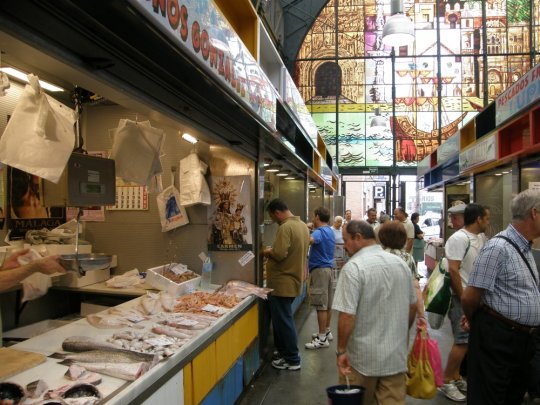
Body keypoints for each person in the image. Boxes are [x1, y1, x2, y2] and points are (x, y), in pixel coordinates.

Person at [462, 189, 540, 405]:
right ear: (534, 213)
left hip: (522, 341)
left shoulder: (524, 248)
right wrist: (477, 321)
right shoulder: (498, 247)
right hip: (499, 340)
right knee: (490, 396)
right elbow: (470, 297)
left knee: (511, 396)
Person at [333, 220, 417, 404]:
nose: (344, 246)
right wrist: (401, 335)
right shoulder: (401, 264)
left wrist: (341, 351)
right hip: (395, 358)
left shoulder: (353, 268)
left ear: (358, 237)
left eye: (346, 240)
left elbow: (347, 315)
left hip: (362, 360)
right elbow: (413, 305)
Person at [438, 203, 490, 402]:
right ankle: (445, 380)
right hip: (461, 297)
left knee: (467, 340)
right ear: (478, 219)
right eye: (486, 218)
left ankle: (456, 376)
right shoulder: (458, 238)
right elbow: (453, 270)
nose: (488, 222)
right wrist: (462, 296)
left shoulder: (480, 237)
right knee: (462, 340)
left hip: (474, 296)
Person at [263, 199, 310, 371]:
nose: (273, 220)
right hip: (293, 280)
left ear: (276, 212)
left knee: (284, 322)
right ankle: (283, 354)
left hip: (282, 282)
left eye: (272, 216)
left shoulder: (285, 227)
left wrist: (267, 251)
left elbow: (280, 253)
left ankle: (292, 359)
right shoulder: (303, 226)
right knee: (282, 320)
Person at [378, 221, 425, 325]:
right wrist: (421, 315)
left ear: (381, 237)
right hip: (401, 308)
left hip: (378, 307)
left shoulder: (375, 256)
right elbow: (415, 287)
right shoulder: (407, 258)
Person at [305, 207, 335, 349]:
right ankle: (326, 330)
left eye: (313, 217)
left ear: (317, 217)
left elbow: (309, 241)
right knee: (327, 303)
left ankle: (322, 338)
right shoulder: (329, 230)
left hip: (319, 271)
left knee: (320, 306)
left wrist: (305, 229)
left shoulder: (319, 232)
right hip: (328, 269)